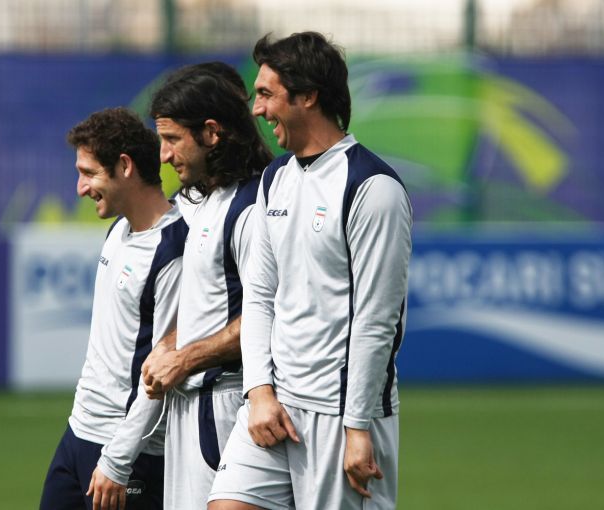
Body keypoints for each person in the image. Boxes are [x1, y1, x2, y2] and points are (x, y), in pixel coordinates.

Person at [209, 32, 413, 510]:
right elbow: (260, 296)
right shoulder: (274, 179)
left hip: (341, 414)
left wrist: (357, 426)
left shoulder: (373, 188)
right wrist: (260, 391)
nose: (257, 109)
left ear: (307, 96)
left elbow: (376, 320)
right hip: (275, 405)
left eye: (266, 94)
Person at [39, 107, 188, 510]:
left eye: (89, 173)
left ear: (124, 166)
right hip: (78, 433)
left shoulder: (173, 250)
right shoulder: (118, 229)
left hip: (126, 454)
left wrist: (118, 459)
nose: (80, 188)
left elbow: (164, 369)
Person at [141, 62, 273, 510]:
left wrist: (185, 358)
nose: (163, 155)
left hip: (227, 401)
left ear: (212, 133)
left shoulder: (250, 209)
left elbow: (264, 316)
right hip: (192, 400)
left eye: (172, 139)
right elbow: (210, 307)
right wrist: (170, 345)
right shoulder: (205, 200)